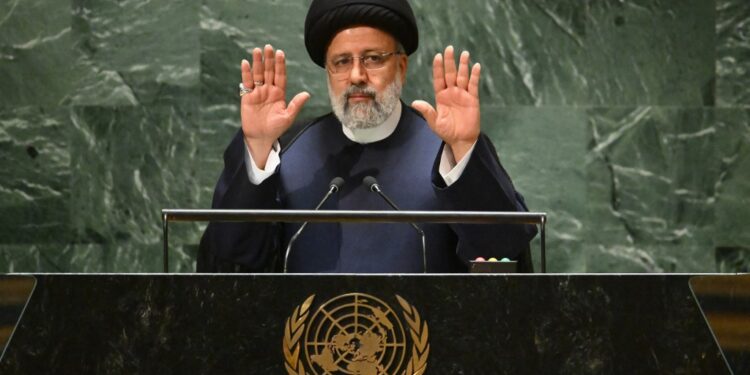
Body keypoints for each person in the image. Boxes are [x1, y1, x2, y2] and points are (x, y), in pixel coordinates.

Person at [198, 0, 537, 273]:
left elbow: (505, 254)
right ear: (329, 73)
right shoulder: (285, 153)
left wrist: (464, 150)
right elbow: (231, 261)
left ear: (401, 67)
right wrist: (256, 146)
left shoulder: (449, 149)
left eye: (373, 59)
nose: (357, 75)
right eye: (342, 62)